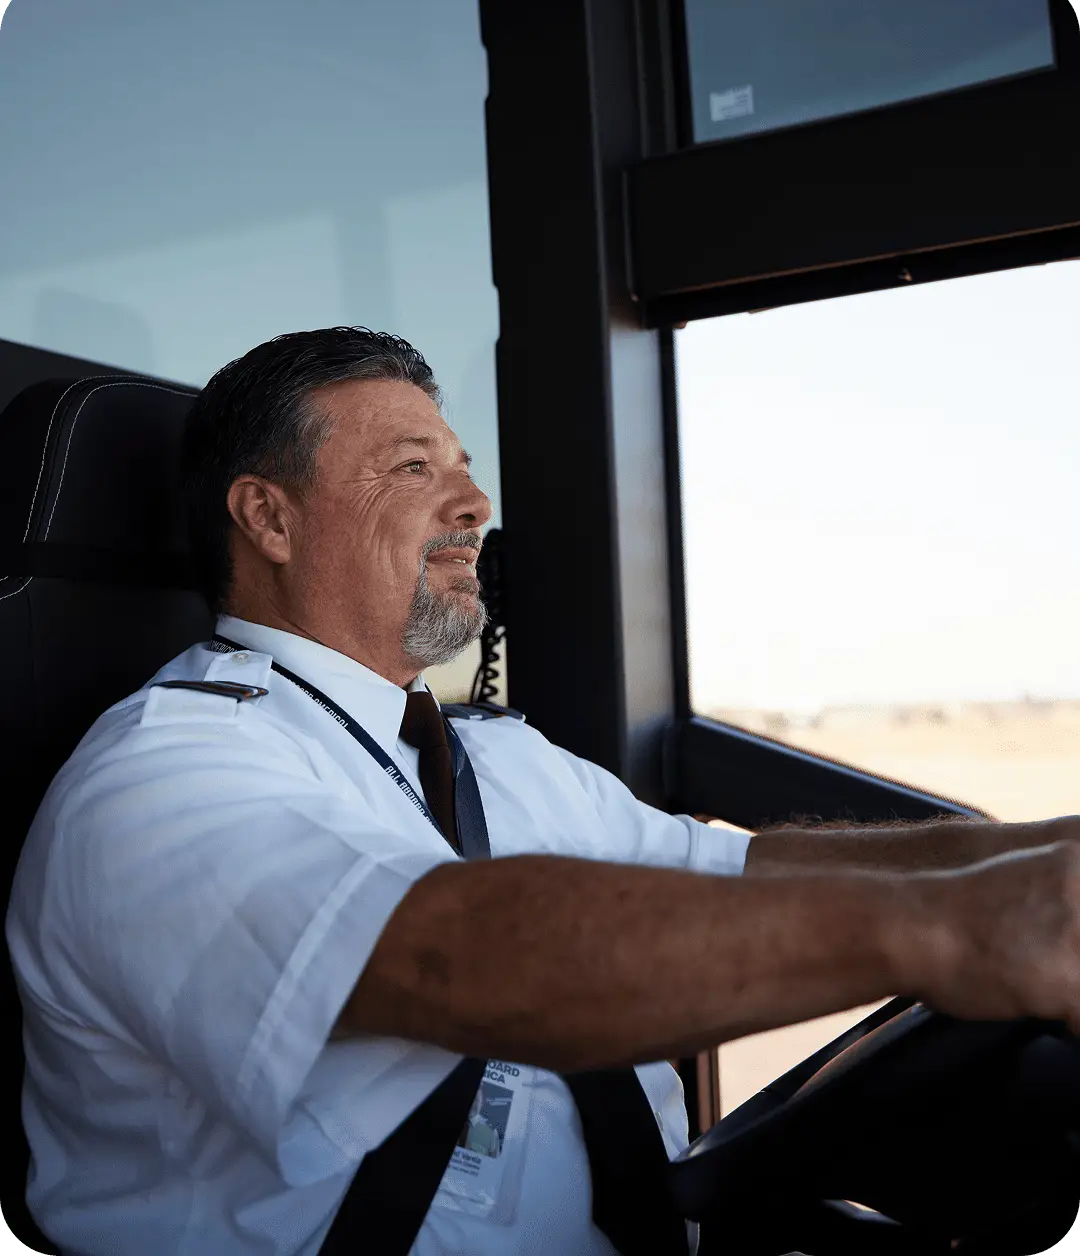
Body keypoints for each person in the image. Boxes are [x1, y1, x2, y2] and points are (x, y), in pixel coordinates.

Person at [6, 325, 1080, 1256]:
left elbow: (736, 869)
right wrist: (960, 928)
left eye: (463, 466)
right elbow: (448, 956)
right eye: (413, 468)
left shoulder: (494, 755)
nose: (474, 502)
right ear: (270, 520)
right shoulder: (159, 774)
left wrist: (1032, 862)